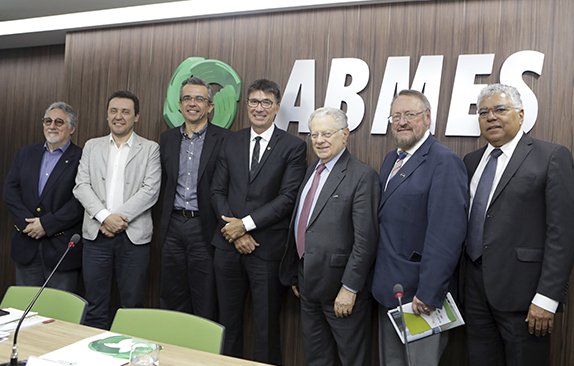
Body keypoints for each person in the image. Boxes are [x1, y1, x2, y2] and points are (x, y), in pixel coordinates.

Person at [463, 84, 574, 366]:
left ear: (521, 115)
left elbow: (562, 233)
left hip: (525, 297)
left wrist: (547, 298)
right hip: (474, 292)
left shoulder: (550, 157)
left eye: (500, 109)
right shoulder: (471, 161)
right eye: (484, 112)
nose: (491, 117)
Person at [211, 79, 307, 364]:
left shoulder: (294, 146)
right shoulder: (231, 140)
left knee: (266, 328)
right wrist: (235, 231)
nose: (259, 108)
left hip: (266, 250)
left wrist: (247, 224)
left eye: (266, 102)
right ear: (247, 106)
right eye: (254, 101)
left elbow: (288, 198)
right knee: (227, 324)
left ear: (277, 108)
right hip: (228, 247)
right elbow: (217, 191)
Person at [371, 90, 468, 366]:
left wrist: (429, 291)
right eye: (396, 116)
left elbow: (447, 234)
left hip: (420, 296)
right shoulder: (392, 159)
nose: (402, 122)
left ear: (427, 119)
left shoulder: (444, 161)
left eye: (410, 115)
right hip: (389, 290)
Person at [279, 107, 379, 366]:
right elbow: (303, 224)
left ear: (345, 135)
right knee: (316, 358)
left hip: (341, 290)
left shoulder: (361, 175)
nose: (319, 140)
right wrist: (295, 271)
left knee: (351, 359)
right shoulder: (312, 170)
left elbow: (366, 239)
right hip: (307, 285)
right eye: (314, 135)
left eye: (327, 133)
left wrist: (350, 288)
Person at [73, 90, 161, 329]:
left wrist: (117, 220)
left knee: (131, 306)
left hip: (133, 238)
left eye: (125, 111)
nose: (118, 116)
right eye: (113, 111)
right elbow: (81, 186)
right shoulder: (92, 146)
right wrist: (104, 218)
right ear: (107, 115)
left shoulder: (150, 148)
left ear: (136, 117)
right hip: (95, 236)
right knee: (95, 305)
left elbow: (150, 190)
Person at [159, 76, 230, 319]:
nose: (193, 103)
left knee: (205, 298)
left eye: (200, 99)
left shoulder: (225, 140)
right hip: (173, 226)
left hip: (205, 227)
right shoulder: (167, 139)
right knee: (171, 297)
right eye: (187, 98)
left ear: (210, 106)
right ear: (179, 105)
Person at [3, 102, 84, 293]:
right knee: (26, 312)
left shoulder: (82, 158)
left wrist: (46, 225)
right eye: (48, 121)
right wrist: (28, 224)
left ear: (72, 128)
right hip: (26, 244)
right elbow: (10, 191)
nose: (52, 126)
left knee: (59, 314)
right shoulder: (25, 154)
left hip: (61, 250)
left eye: (59, 122)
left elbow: (79, 202)